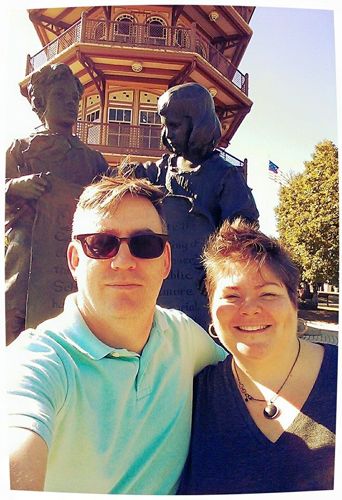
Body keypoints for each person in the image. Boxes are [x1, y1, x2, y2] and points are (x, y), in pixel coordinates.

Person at [7, 176, 227, 494]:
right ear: (74, 259)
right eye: (101, 243)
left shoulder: (181, 336)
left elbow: (249, 375)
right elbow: (16, 444)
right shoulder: (38, 362)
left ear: (165, 260)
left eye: (145, 244)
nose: (123, 262)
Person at [178, 218, 337, 494]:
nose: (250, 309)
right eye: (231, 297)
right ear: (211, 313)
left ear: (294, 303)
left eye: (267, 293)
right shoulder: (193, 396)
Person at [122, 82, 259, 330]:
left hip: (200, 295)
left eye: (174, 125)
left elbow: (243, 236)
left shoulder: (224, 177)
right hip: (160, 292)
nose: (166, 134)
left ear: (198, 124)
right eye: (164, 125)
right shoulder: (159, 171)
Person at [5, 63, 108, 344]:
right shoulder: (21, 148)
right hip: (26, 251)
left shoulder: (93, 159)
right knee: (17, 318)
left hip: (71, 251)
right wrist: (16, 186)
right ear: (41, 101)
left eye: (75, 98)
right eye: (61, 96)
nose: (71, 103)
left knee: (73, 321)